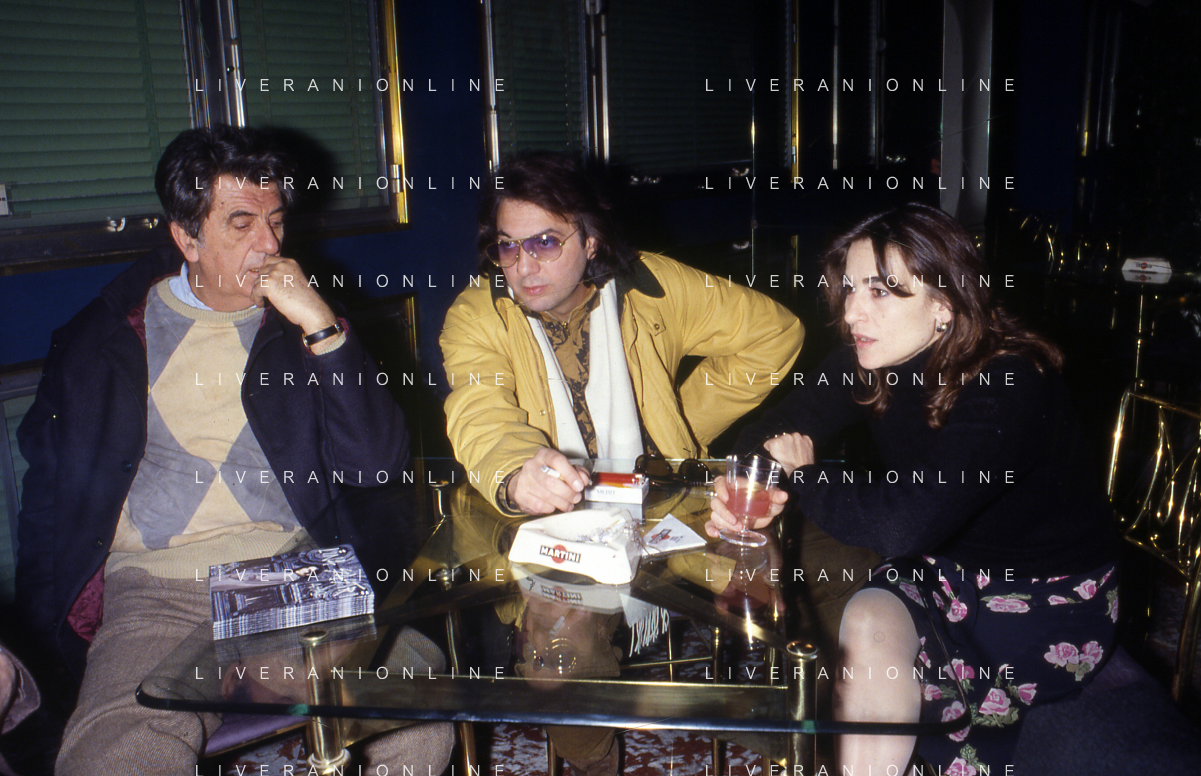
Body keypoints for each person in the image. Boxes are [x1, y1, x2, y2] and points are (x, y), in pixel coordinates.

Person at [15, 125, 452, 773]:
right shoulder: (104, 340)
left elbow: (376, 464)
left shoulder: (304, 321)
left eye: (275, 221)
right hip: (160, 587)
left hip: (295, 571)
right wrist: (42, 639)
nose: (269, 245)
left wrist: (322, 329)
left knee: (415, 717)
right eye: (241, 224)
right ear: (186, 238)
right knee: (116, 751)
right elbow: (49, 498)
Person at [709, 203, 1120, 774]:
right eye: (850, 289)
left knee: (851, 658)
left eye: (881, 291)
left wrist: (805, 475)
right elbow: (771, 428)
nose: (853, 311)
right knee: (865, 622)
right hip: (942, 571)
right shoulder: (870, 357)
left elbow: (901, 526)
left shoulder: (1011, 381)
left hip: (1046, 598)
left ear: (944, 304)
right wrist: (753, 484)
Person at [440, 151, 805, 516]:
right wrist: (516, 475)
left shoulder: (654, 285)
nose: (523, 267)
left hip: (664, 507)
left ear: (591, 241)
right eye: (508, 246)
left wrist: (678, 422)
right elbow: (479, 411)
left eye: (545, 243)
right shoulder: (478, 316)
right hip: (547, 520)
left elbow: (774, 333)